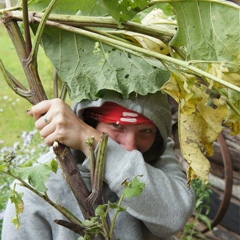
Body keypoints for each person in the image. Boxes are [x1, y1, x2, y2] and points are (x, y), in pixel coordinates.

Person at [2, 90, 195, 240]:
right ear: (88, 122)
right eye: (117, 126)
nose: (131, 147)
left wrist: (94, 142)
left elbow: (174, 216)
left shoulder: (157, 154)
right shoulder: (38, 187)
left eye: (146, 130)